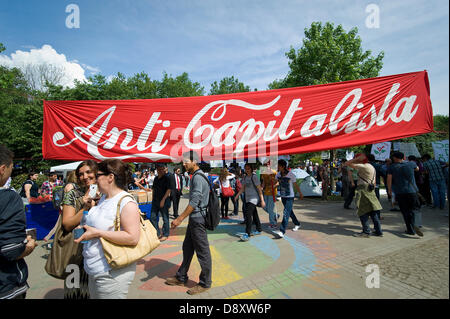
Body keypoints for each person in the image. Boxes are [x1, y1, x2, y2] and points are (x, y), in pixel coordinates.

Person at [74, 159, 140, 299]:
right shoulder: (103, 198)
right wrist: (87, 210)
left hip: (111, 271)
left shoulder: (126, 202)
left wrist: (98, 233)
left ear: (111, 177)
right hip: (95, 268)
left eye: (97, 175)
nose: (94, 179)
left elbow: (133, 238)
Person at [166, 151, 212, 295]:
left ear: (194, 161)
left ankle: (205, 283)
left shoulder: (198, 177)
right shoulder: (196, 176)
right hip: (195, 219)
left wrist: (180, 218)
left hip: (198, 220)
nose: (184, 164)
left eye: (186, 161)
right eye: (183, 161)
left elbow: (194, 201)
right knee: (187, 249)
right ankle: (181, 276)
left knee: (202, 252)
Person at [0, 144, 38, 299]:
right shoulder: (8, 197)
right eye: (11, 167)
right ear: (2, 169)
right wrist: (29, 245)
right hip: (6, 284)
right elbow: (11, 249)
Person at [61, 160, 99, 299]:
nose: (85, 176)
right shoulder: (73, 193)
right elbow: (67, 223)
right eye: (81, 174)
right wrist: (86, 207)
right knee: (76, 293)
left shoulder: (106, 193)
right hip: (76, 253)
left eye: (89, 172)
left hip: (100, 254)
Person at [344, 154, 383, 238]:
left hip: (363, 190)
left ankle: (366, 231)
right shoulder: (371, 167)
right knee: (373, 212)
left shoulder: (364, 166)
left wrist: (357, 159)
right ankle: (378, 231)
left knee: (362, 211)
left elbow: (347, 163)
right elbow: (375, 182)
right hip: (370, 189)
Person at [387, 152, 424, 237]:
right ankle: (417, 224)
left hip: (400, 192)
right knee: (415, 208)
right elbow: (417, 169)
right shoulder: (411, 163)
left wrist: (389, 190)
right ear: (403, 157)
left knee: (405, 211)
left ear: (395, 158)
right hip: (412, 191)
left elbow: (389, 179)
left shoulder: (392, 167)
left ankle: (410, 229)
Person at [43, 170, 79, 242]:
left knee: (58, 225)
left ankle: (48, 237)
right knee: (58, 226)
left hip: (63, 207)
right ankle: (50, 238)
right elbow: (68, 199)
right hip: (65, 208)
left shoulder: (64, 184)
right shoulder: (70, 186)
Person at [234, 163, 265, 242]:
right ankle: (259, 229)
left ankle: (247, 233)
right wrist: (237, 195)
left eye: (248, 168)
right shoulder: (244, 177)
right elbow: (243, 188)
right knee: (254, 214)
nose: (247, 170)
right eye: (246, 168)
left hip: (254, 198)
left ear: (251, 169)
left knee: (248, 215)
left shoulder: (254, 177)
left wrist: (262, 200)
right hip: (247, 198)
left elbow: (259, 189)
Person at [272, 159, 303, 239]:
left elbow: (295, 185)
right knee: (289, 212)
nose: (277, 167)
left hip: (290, 196)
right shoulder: (278, 174)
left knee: (286, 212)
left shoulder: (290, 174)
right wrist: (275, 185)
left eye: (278, 166)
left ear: (283, 166)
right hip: (283, 196)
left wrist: (300, 193)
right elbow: (277, 182)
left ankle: (282, 231)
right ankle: (297, 223)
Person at [150, 163, 172, 242]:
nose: (161, 171)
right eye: (159, 169)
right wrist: (152, 199)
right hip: (155, 201)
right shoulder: (156, 179)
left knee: (165, 218)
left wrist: (163, 200)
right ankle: (158, 233)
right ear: (157, 170)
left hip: (164, 201)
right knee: (152, 217)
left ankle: (165, 234)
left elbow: (169, 190)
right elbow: (154, 189)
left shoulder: (167, 178)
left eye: (162, 169)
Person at [260, 160, 279, 229]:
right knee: (264, 206)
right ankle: (275, 215)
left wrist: (273, 186)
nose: (266, 166)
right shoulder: (263, 173)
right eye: (265, 165)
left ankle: (273, 223)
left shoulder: (274, 172)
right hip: (266, 192)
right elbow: (264, 182)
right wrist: (261, 187)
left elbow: (278, 183)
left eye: (268, 164)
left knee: (270, 209)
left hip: (272, 193)